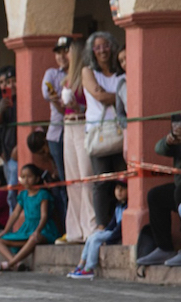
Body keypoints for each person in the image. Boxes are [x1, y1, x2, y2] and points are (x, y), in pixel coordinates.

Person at [81, 31, 126, 228]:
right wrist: (122, 97)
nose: (102, 51)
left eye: (106, 45)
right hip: (98, 132)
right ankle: (101, 225)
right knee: (101, 181)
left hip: (121, 130)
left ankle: (121, 221)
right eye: (97, 47)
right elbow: (98, 95)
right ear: (92, 51)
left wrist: (114, 96)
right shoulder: (88, 71)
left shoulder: (122, 72)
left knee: (124, 179)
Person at [59, 39, 97, 242]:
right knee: (72, 178)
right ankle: (75, 229)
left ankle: (90, 226)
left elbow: (90, 106)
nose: (64, 56)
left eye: (68, 52)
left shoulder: (85, 74)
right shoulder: (66, 79)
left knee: (86, 176)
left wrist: (77, 106)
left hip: (82, 124)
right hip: (68, 125)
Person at [0, 164, 59, 271]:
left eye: (29, 177)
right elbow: (15, 214)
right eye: (23, 177)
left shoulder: (43, 194)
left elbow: (44, 215)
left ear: (37, 178)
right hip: (26, 228)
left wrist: (37, 231)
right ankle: (16, 263)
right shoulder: (23, 195)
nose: (26, 180)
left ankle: (9, 264)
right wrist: (5, 231)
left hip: (43, 229)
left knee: (33, 238)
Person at [136, 117, 181, 267]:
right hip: (179, 187)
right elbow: (159, 149)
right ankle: (164, 248)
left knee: (178, 194)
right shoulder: (176, 140)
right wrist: (170, 139)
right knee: (156, 196)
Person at [68, 180, 127, 279]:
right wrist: (104, 232)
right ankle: (80, 265)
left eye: (123, 188)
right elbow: (112, 223)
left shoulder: (127, 207)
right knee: (92, 236)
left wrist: (109, 239)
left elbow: (119, 228)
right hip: (112, 231)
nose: (119, 191)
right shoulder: (118, 206)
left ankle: (89, 268)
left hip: (116, 234)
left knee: (95, 240)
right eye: (117, 188)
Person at [0, 65, 18, 209]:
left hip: (18, 154)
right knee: (11, 194)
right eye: (8, 82)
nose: (11, 85)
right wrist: (1, 109)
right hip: (6, 155)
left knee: (15, 193)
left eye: (14, 81)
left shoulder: (23, 100)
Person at [42, 36, 70, 181]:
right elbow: (47, 93)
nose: (62, 56)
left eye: (66, 51)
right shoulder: (52, 73)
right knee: (62, 174)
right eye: (58, 53)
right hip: (57, 132)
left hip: (77, 127)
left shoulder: (81, 72)